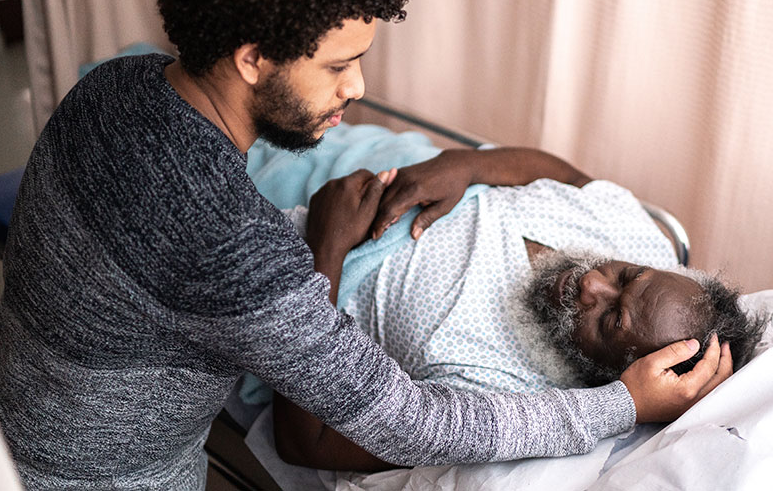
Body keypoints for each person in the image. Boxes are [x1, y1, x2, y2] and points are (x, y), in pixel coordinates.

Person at [0, 0, 731, 489]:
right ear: (252, 58)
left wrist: (469, 164)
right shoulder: (239, 247)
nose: (359, 85)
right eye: (339, 64)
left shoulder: (112, 85)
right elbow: (413, 425)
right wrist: (623, 404)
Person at [271, 147, 766, 470]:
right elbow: (565, 175)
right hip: (376, 158)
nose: (592, 282)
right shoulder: (640, 240)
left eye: (609, 320)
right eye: (626, 275)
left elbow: (305, 442)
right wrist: (466, 165)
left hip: (292, 256)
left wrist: (325, 251)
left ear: (610, 376)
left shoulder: (500, 399)